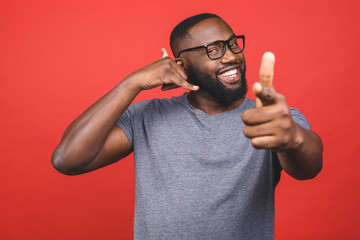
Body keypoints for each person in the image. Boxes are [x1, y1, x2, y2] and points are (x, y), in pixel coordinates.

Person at [52, 13, 323, 240]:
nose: (231, 57)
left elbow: (308, 169)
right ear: (182, 64)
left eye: (233, 44)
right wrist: (132, 82)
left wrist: (293, 138)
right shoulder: (147, 116)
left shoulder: (270, 118)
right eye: (214, 50)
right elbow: (67, 159)